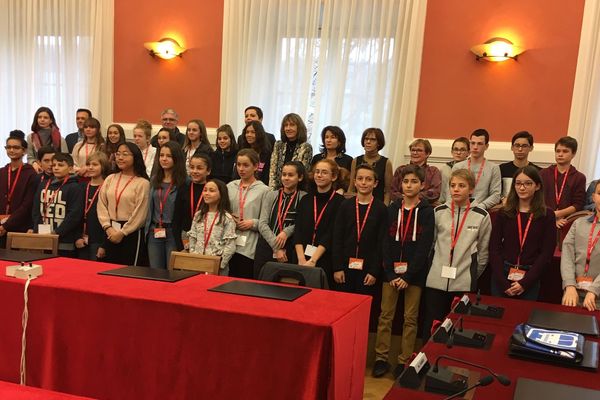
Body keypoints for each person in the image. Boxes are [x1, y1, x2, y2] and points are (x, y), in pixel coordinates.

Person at [373, 164, 434, 379]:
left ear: (422, 185)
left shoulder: (427, 212)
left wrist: (407, 276)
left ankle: (405, 360)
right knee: (385, 316)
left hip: (413, 276)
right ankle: (381, 358)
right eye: (406, 182)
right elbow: (384, 242)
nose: (409, 186)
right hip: (390, 273)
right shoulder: (392, 209)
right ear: (400, 184)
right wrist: (390, 273)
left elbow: (424, 246)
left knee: (410, 318)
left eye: (414, 182)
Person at [422, 169, 492, 342]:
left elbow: (483, 252)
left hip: (463, 282)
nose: (456, 189)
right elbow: (430, 245)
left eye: (461, 186)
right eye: (453, 185)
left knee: (458, 330)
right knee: (432, 326)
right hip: (436, 281)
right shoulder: (438, 212)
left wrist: (472, 275)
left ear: (471, 189)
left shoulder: (482, 216)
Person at [490, 166, 556, 301]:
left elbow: (546, 253)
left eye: (528, 183)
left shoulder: (547, 215)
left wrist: (525, 283)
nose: (522, 188)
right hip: (502, 275)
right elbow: (494, 248)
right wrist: (502, 283)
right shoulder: (504, 212)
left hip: (530, 277)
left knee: (523, 319)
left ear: (537, 186)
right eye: (518, 183)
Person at [332, 164, 387, 294]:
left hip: (368, 270)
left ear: (375, 183)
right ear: (354, 182)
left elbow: (381, 243)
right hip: (344, 268)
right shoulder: (345, 205)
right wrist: (337, 267)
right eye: (360, 178)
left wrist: (374, 271)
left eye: (368, 179)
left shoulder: (381, 209)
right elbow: (337, 238)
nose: (363, 182)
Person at [97, 142, 150, 266]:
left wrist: (123, 232)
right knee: (109, 270)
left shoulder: (142, 183)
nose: (120, 158)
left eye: (125, 154)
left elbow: (140, 213)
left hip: (131, 232)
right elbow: (101, 205)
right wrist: (107, 227)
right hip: (110, 229)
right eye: (118, 154)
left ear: (135, 157)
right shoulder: (110, 178)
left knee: (128, 272)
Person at [294, 158, 345, 287]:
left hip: (324, 259)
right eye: (317, 172)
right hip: (302, 257)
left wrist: (313, 260)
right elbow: (298, 230)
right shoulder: (306, 199)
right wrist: (301, 258)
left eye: (324, 172)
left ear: (333, 177)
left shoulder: (340, 202)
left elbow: (331, 233)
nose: (319, 175)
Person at [255, 161, 307, 277]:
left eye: (290, 175)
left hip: (289, 247)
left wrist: (286, 232)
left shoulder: (304, 197)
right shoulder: (271, 195)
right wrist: (276, 247)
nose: (286, 178)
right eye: (284, 174)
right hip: (267, 246)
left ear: (300, 177)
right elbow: (262, 223)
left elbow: (301, 223)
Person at [227, 149, 270, 278]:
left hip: (250, 245)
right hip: (229, 242)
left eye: (246, 165)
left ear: (256, 166)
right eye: (238, 165)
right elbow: (222, 211)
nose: (241, 169)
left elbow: (267, 219)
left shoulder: (264, 190)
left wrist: (253, 223)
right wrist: (229, 217)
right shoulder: (230, 186)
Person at [31, 153, 83, 257]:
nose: (56, 168)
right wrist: (36, 228)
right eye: (54, 165)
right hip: (42, 237)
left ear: (70, 168)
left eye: (60, 165)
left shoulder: (74, 187)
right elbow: (36, 209)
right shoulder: (43, 184)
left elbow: (74, 215)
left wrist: (56, 232)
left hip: (64, 241)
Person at [145, 141, 187, 269]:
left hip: (173, 233)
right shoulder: (154, 179)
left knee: (172, 272)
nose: (164, 159)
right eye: (161, 155)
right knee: (155, 272)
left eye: (168, 156)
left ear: (176, 158)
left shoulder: (185, 182)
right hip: (154, 231)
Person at [561, 179, 600, 311]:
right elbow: (567, 255)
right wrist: (569, 285)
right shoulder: (579, 223)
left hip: (596, 299)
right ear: (593, 197)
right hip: (573, 294)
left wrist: (594, 290)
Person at [188, 179, 237, 275]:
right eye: (205, 190)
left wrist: (219, 264)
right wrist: (193, 256)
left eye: (211, 190)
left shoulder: (226, 218)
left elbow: (230, 245)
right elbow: (193, 236)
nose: (206, 193)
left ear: (221, 194)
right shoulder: (199, 215)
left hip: (216, 267)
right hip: (197, 263)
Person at [446, 129, 501, 210]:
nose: (475, 147)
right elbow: (450, 191)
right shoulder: (458, 167)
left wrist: (481, 207)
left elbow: (496, 195)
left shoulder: (493, 168)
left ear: (486, 146)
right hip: (458, 209)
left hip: (481, 210)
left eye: (480, 144)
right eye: (473, 143)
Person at [0, 130, 38, 246]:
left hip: (20, 227)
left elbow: (27, 205)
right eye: (9, 147)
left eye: (16, 147)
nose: (11, 150)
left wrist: (6, 226)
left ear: (24, 151)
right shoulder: (2, 172)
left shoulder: (31, 174)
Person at [540, 137, 586, 229]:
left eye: (565, 151)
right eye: (558, 151)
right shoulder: (543, 173)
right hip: (543, 218)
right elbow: (536, 198)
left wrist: (557, 214)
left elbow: (578, 204)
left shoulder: (579, 177)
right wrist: (551, 216)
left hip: (567, 222)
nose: (560, 154)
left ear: (573, 154)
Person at [172, 153, 212, 251]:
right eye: (192, 167)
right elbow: (177, 218)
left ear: (208, 171)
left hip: (207, 238)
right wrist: (179, 245)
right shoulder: (183, 188)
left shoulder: (212, 190)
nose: (194, 171)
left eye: (199, 168)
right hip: (185, 236)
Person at [75, 152, 109, 261]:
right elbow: (75, 215)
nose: (90, 167)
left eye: (95, 165)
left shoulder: (107, 188)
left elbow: (110, 218)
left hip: (99, 239)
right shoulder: (82, 187)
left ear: (103, 166)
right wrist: (77, 237)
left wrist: (104, 245)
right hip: (82, 238)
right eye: (88, 164)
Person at [348, 128, 393, 205]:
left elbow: (388, 191)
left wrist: (385, 208)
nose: (368, 142)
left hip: (377, 204)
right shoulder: (356, 160)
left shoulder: (386, 162)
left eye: (373, 139)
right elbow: (351, 187)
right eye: (366, 139)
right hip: (358, 203)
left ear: (379, 143)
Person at [390, 139, 442, 204]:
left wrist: (410, 196)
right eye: (413, 150)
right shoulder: (401, 170)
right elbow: (392, 192)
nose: (415, 153)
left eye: (419, 150)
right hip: (402, 207)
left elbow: (434, 193)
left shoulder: (433, 171)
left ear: (427, 153)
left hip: (425, 208)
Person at [269, 113, 313, 189]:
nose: (288, 128)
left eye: (292, 125)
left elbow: (302, 173)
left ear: (299, 128)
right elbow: (273, 170)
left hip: (296, 189)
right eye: (286, 125)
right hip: (278, 189)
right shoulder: (278, 145)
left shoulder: (305, 147)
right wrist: (273, 191)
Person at [499, 131, 541, 200]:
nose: (520, 149)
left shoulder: (538, 171)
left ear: (531, 148)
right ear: (512, 147)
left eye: (524, 146)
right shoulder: (501, 169)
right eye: (517, 145)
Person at [309, 126, 353, 191]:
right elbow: (311, 178)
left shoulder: (347, 159)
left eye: (333, 137)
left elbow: (349, 182)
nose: (328, 140)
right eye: (326, 137)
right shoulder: (317, 158)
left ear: (339, 141)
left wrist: (342, 189)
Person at [27, 106, 68, 171]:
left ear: (51, 120)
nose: (42, 119)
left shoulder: (60, 139)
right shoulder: (31, 137)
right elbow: (30, 157)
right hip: (38, 171)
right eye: (39, 117)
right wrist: (34, 163)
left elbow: (65, 158)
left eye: (45, 117)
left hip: (57, 171)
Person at [238, 121, 272, 185]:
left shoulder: (267, 154)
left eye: (253, 132)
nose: (249, 135)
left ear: (259, 134)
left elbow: (267, 176)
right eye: (247, 132)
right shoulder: (242, 151)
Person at [438, 137, 469, 204]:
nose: (458, 152)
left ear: (468, 153)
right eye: (456, 149)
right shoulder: (444, 169)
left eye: (462, 150)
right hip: (444, 204)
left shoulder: (470, 169)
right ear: (452, 152)